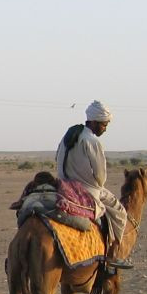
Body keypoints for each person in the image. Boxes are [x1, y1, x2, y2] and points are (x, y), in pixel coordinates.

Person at [55, 100, 132, 269]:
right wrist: (96, 184)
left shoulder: (68, 136)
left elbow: (57, 160)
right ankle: (113, 254)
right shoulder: (92, 140)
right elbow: (100, 176)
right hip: (86, 190)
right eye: (104, 125)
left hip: (62, 185)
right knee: (119, 211)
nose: (105, 128)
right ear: (95, 122)